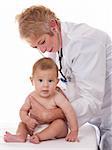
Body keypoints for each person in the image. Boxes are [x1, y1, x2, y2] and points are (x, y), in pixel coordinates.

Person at [15, 5, 112, 150]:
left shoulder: (85, 43)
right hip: (93, 115)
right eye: (36, 47)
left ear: (53, 25)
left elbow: (91, 99)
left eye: (42, 42)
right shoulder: (54, 44)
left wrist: (51, 115)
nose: (42, 50)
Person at [4, 57, 79, 144]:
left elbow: (69, 111)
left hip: (54, 128)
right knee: (22, 124)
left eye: (50, 81)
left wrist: (74, 131)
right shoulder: (31, 96)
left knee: (60, 124)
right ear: (32, 81)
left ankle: (39, 137)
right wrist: (27, 120)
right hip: (36, 126)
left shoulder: (57, 97)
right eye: (40, 80)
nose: (45, 85)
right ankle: (20, 136)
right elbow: (23, 111)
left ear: (57, 82)